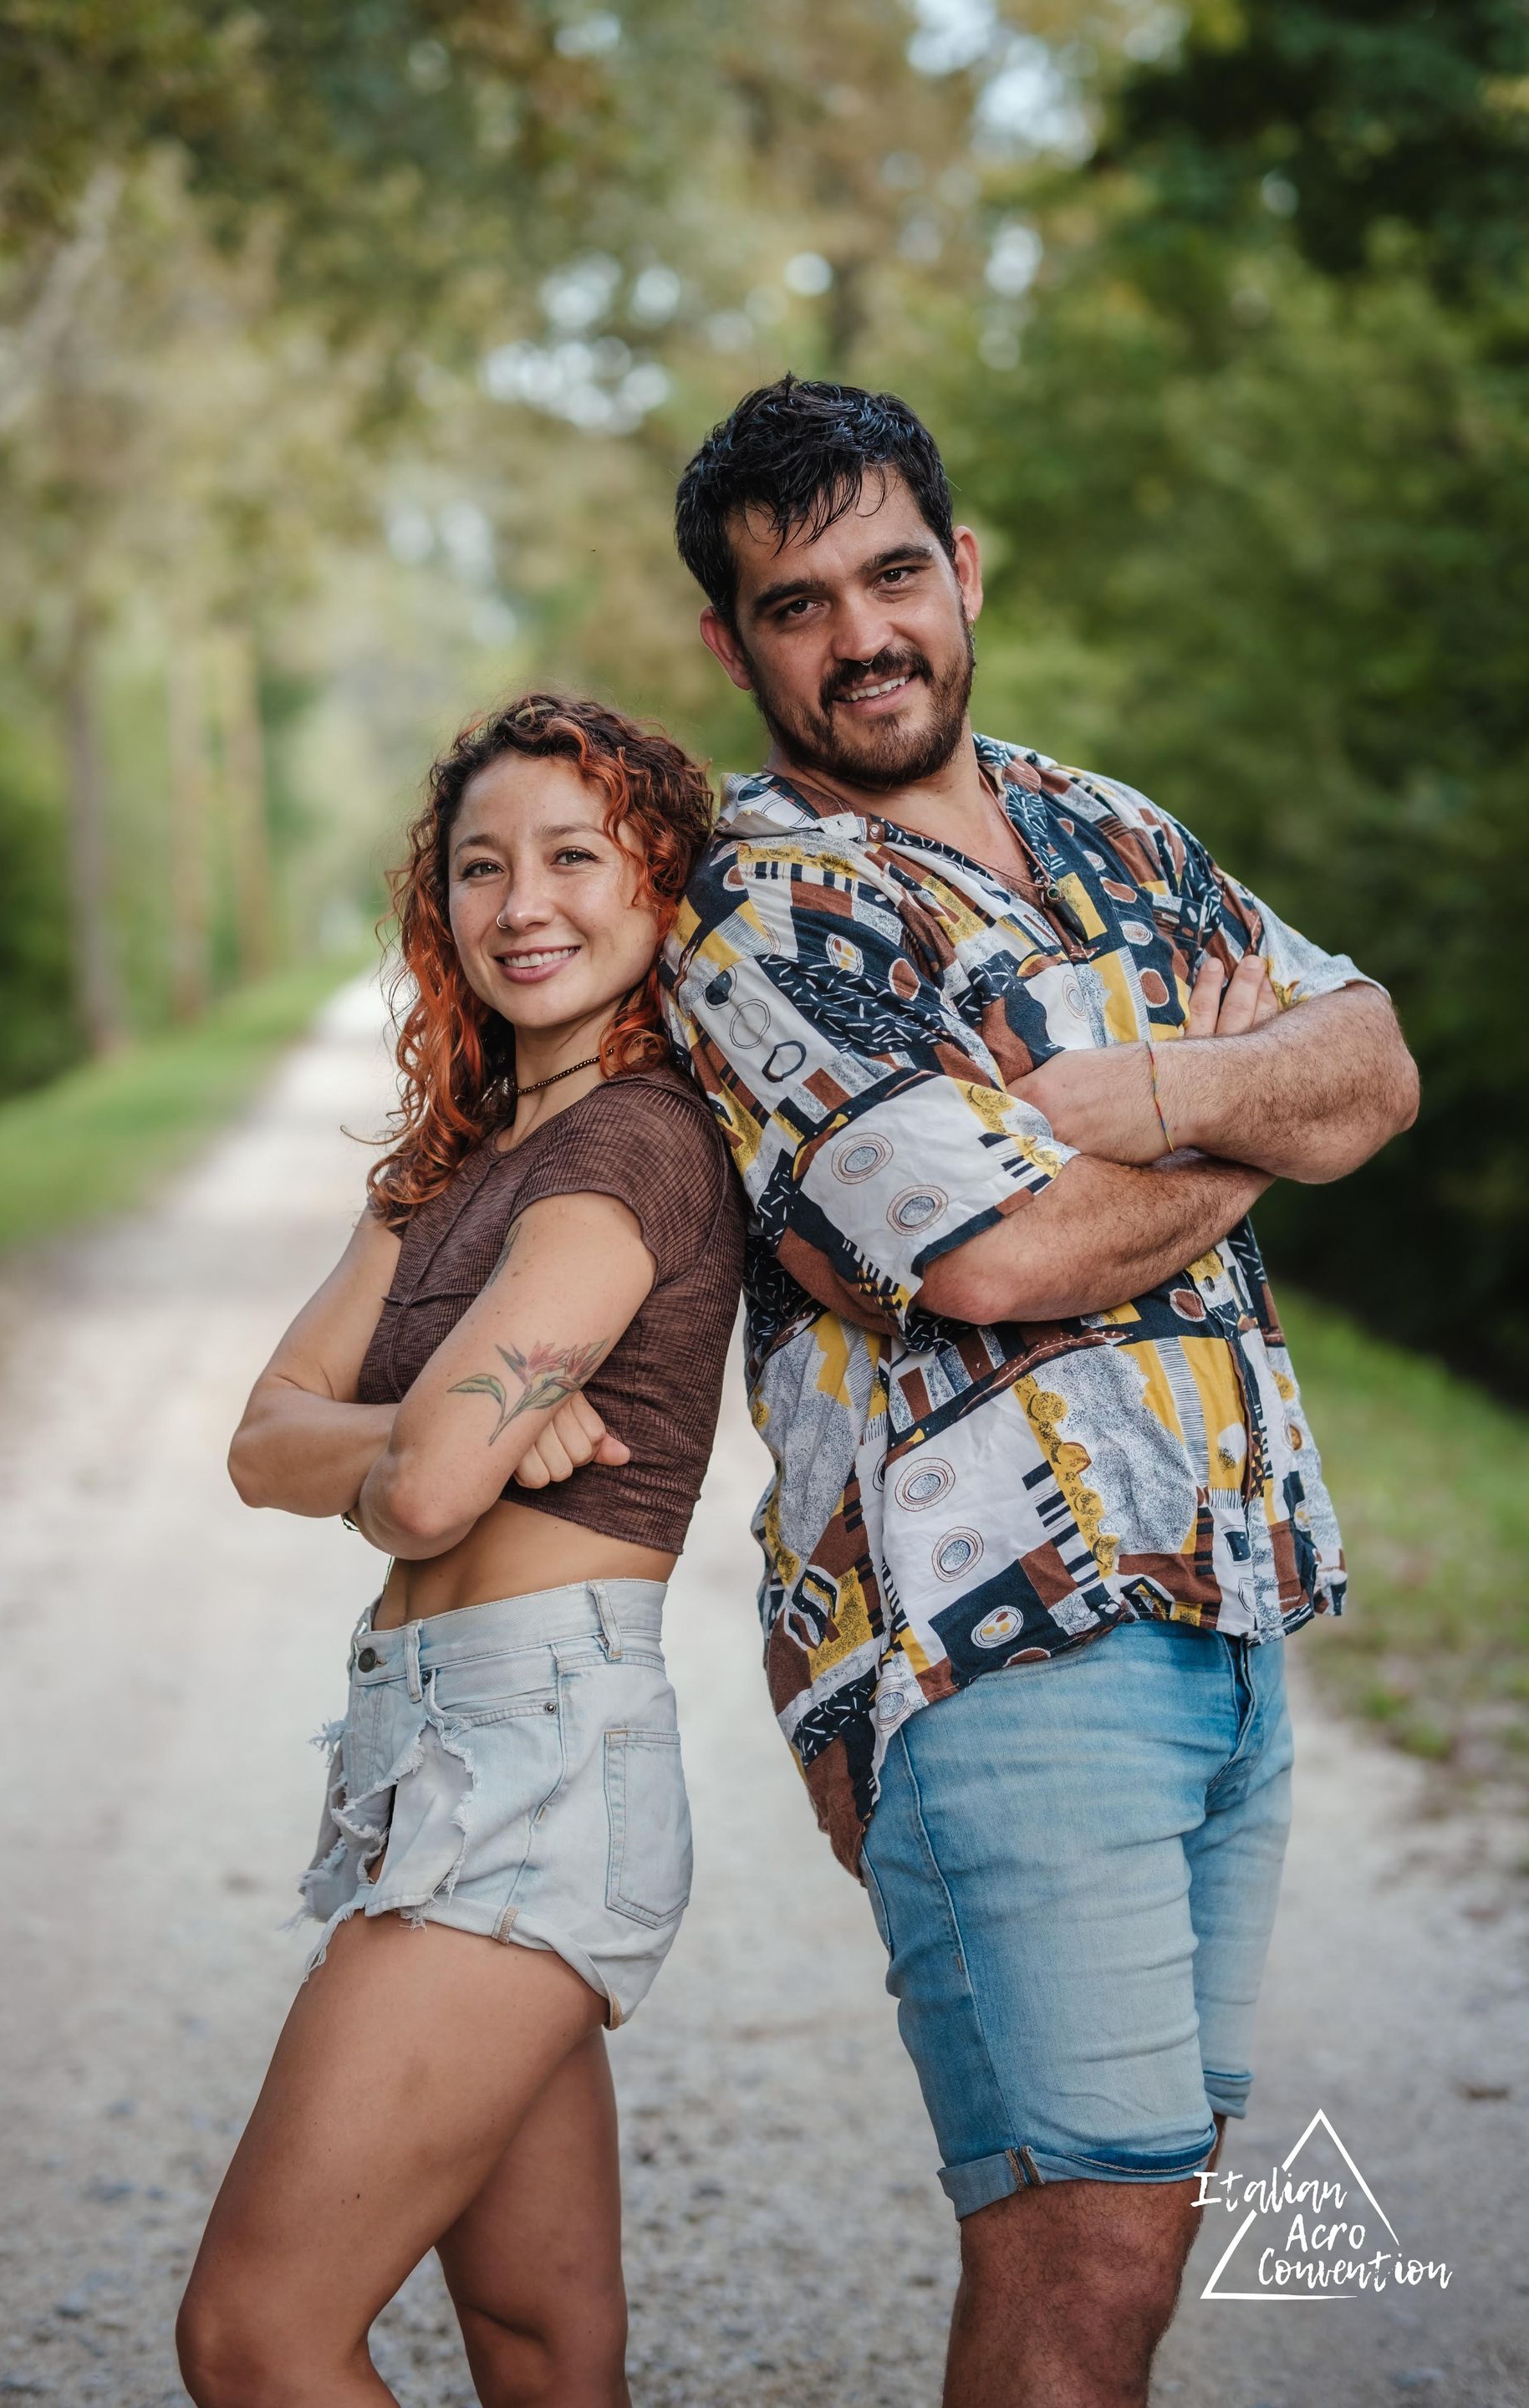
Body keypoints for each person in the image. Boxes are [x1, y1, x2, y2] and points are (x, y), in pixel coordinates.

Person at [662, 377, 1420, 2408]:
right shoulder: (766, 905)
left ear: (965, 569)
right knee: (1084, 2251)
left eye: (893, 572)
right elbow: (996, 1262)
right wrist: (1264, 1120)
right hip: (994, 1651)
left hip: (1228, 1605)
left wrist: (1158, 1098)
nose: (864, 633)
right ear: (733, 649)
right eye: (797, 604)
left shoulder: (1112, 826)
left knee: (1132, 2235)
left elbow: (1382, 1065)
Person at [176, 693, 744, 2408]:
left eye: (577, 857)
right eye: (483, 866)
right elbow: (261, 1439)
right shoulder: (450, 1163)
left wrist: (419, 1457)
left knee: (257, 2336)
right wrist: (422, 1440)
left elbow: (419, 1501)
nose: (524, 904)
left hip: (538, 1760)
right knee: (537, 2346)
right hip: (426, 1751)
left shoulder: (632, 1148)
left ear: (659, 894)